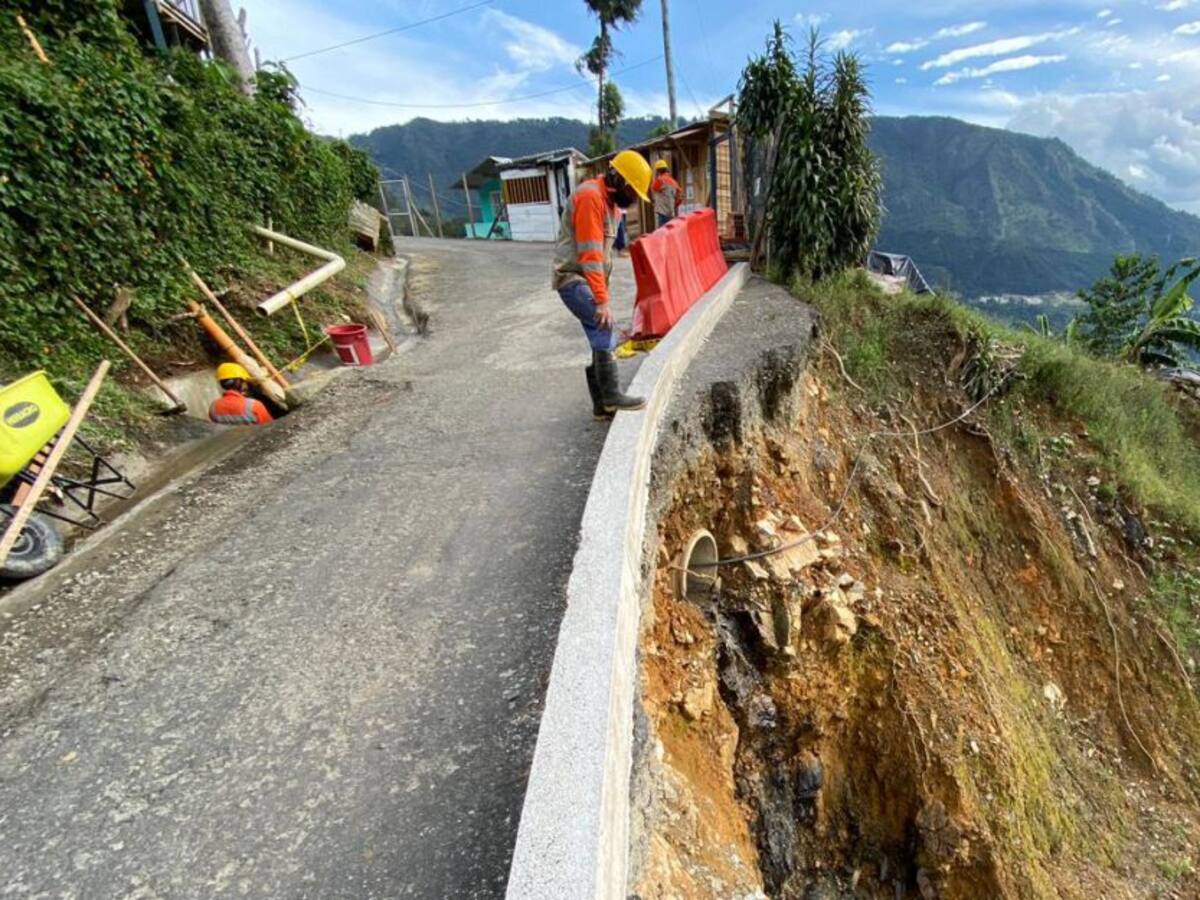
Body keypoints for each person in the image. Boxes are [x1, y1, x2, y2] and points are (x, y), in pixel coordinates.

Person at [552, 149, 652, 419]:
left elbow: (606, 256)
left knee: (601, 334)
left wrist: (602, 294)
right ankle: (610, 396)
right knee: (604, 327)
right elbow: (591, 255)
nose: (633, 201)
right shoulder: (590, 198)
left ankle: (601, 406)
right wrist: (602, 299)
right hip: (572, 278)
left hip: (586, 280)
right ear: (620, 181)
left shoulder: (611, 206)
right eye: (632, 193)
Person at [208, 362, 273, 425]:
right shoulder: (254, 406)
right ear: (238, 382)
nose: (246, 385)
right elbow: (271, 428)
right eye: (244, 381)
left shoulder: (213, 408)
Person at [651, 159, 682, 228]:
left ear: (658, 171)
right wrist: (673, 206)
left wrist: (656, 176)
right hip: (671, 213)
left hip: (663, 214)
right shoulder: (673, 181)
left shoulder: (660, 180)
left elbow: (653, 188)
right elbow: (680, 197)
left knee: (662, 235)